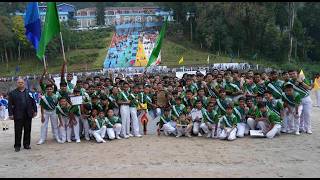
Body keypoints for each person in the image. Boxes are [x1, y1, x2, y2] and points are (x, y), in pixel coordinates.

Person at [8, 78, 37, 152]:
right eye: (19, 82)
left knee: (27, 130)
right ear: (17, 84)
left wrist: (35, 111)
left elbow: (33, 102)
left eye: (22, 82)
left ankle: (26, 144)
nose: (20, 84)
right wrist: (10, 114)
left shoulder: (29, 92)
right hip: (18, 114)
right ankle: (17, 146)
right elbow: (10, 104)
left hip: (28, 114)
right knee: (18, 131)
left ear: (24, 83)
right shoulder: (12, 93)